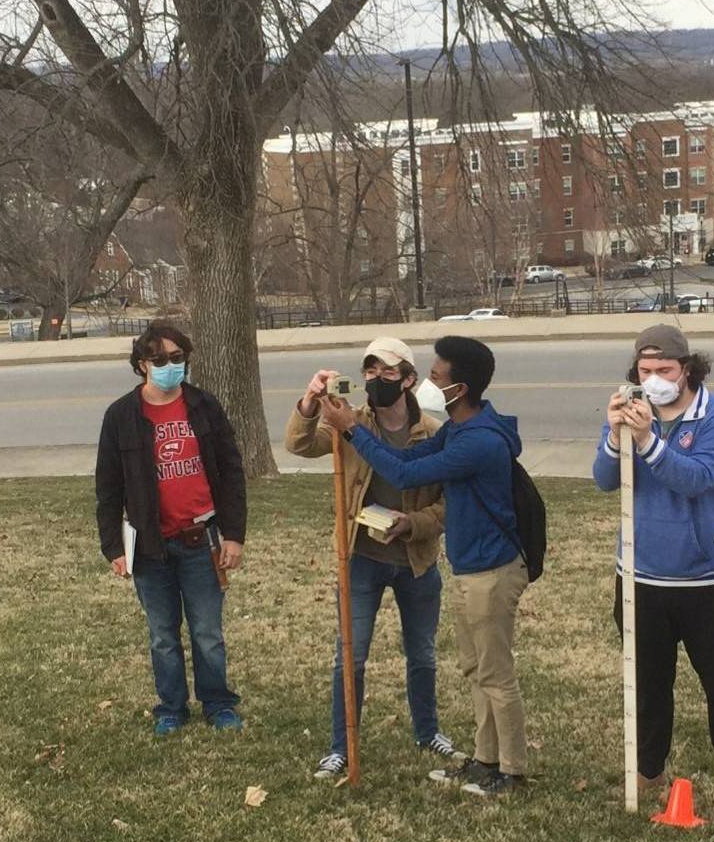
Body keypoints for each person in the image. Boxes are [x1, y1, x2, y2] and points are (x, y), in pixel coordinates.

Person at [317, 334, 528, 796]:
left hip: (493, 571)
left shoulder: (480, 441)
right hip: (470, 568)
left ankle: (510, 772)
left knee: (495, 672)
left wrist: (353, 430)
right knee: (476, 670)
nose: (427, 384)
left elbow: (408, 474)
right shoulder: (457, 429)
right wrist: (352, 424)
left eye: (435, 377)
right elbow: (408, 456)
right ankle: (484, 760)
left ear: (461, 389)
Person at [591, 324, 714, 807]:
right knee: (648, 681)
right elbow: (603, 479)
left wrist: (648, 444)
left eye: (664, 369)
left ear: (687, 369)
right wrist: (617, 436)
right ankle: (648, 769)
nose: (655, 379)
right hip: (641, 576)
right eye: (645, 370)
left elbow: (698, 479)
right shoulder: (628, 409)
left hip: (708, 579)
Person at [286, 336, 455, 778]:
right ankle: (341, 746)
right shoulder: (349, 421)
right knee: (351, 654)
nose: (376, 380)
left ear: (410, 381)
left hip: (415, 561)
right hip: (359, 557)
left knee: (421, 653)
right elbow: (298, 446)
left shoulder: (434, 434)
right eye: (370, 371)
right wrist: (308, 405)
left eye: (388, 372)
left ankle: (428, 731)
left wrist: (413, 523)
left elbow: (448, 505)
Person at [94, 320, 247, 735]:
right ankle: (171, 708)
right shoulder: (121, 416)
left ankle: (218, 703)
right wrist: (114, 548)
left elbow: (231, 472)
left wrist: (233, 534)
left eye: (176, 359)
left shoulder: (204, 407)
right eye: (159, 359)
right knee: (163, 634)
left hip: (202, 541)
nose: (169, 366)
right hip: (149, 548)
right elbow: (107, 489)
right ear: (142, 364)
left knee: (208, 632)